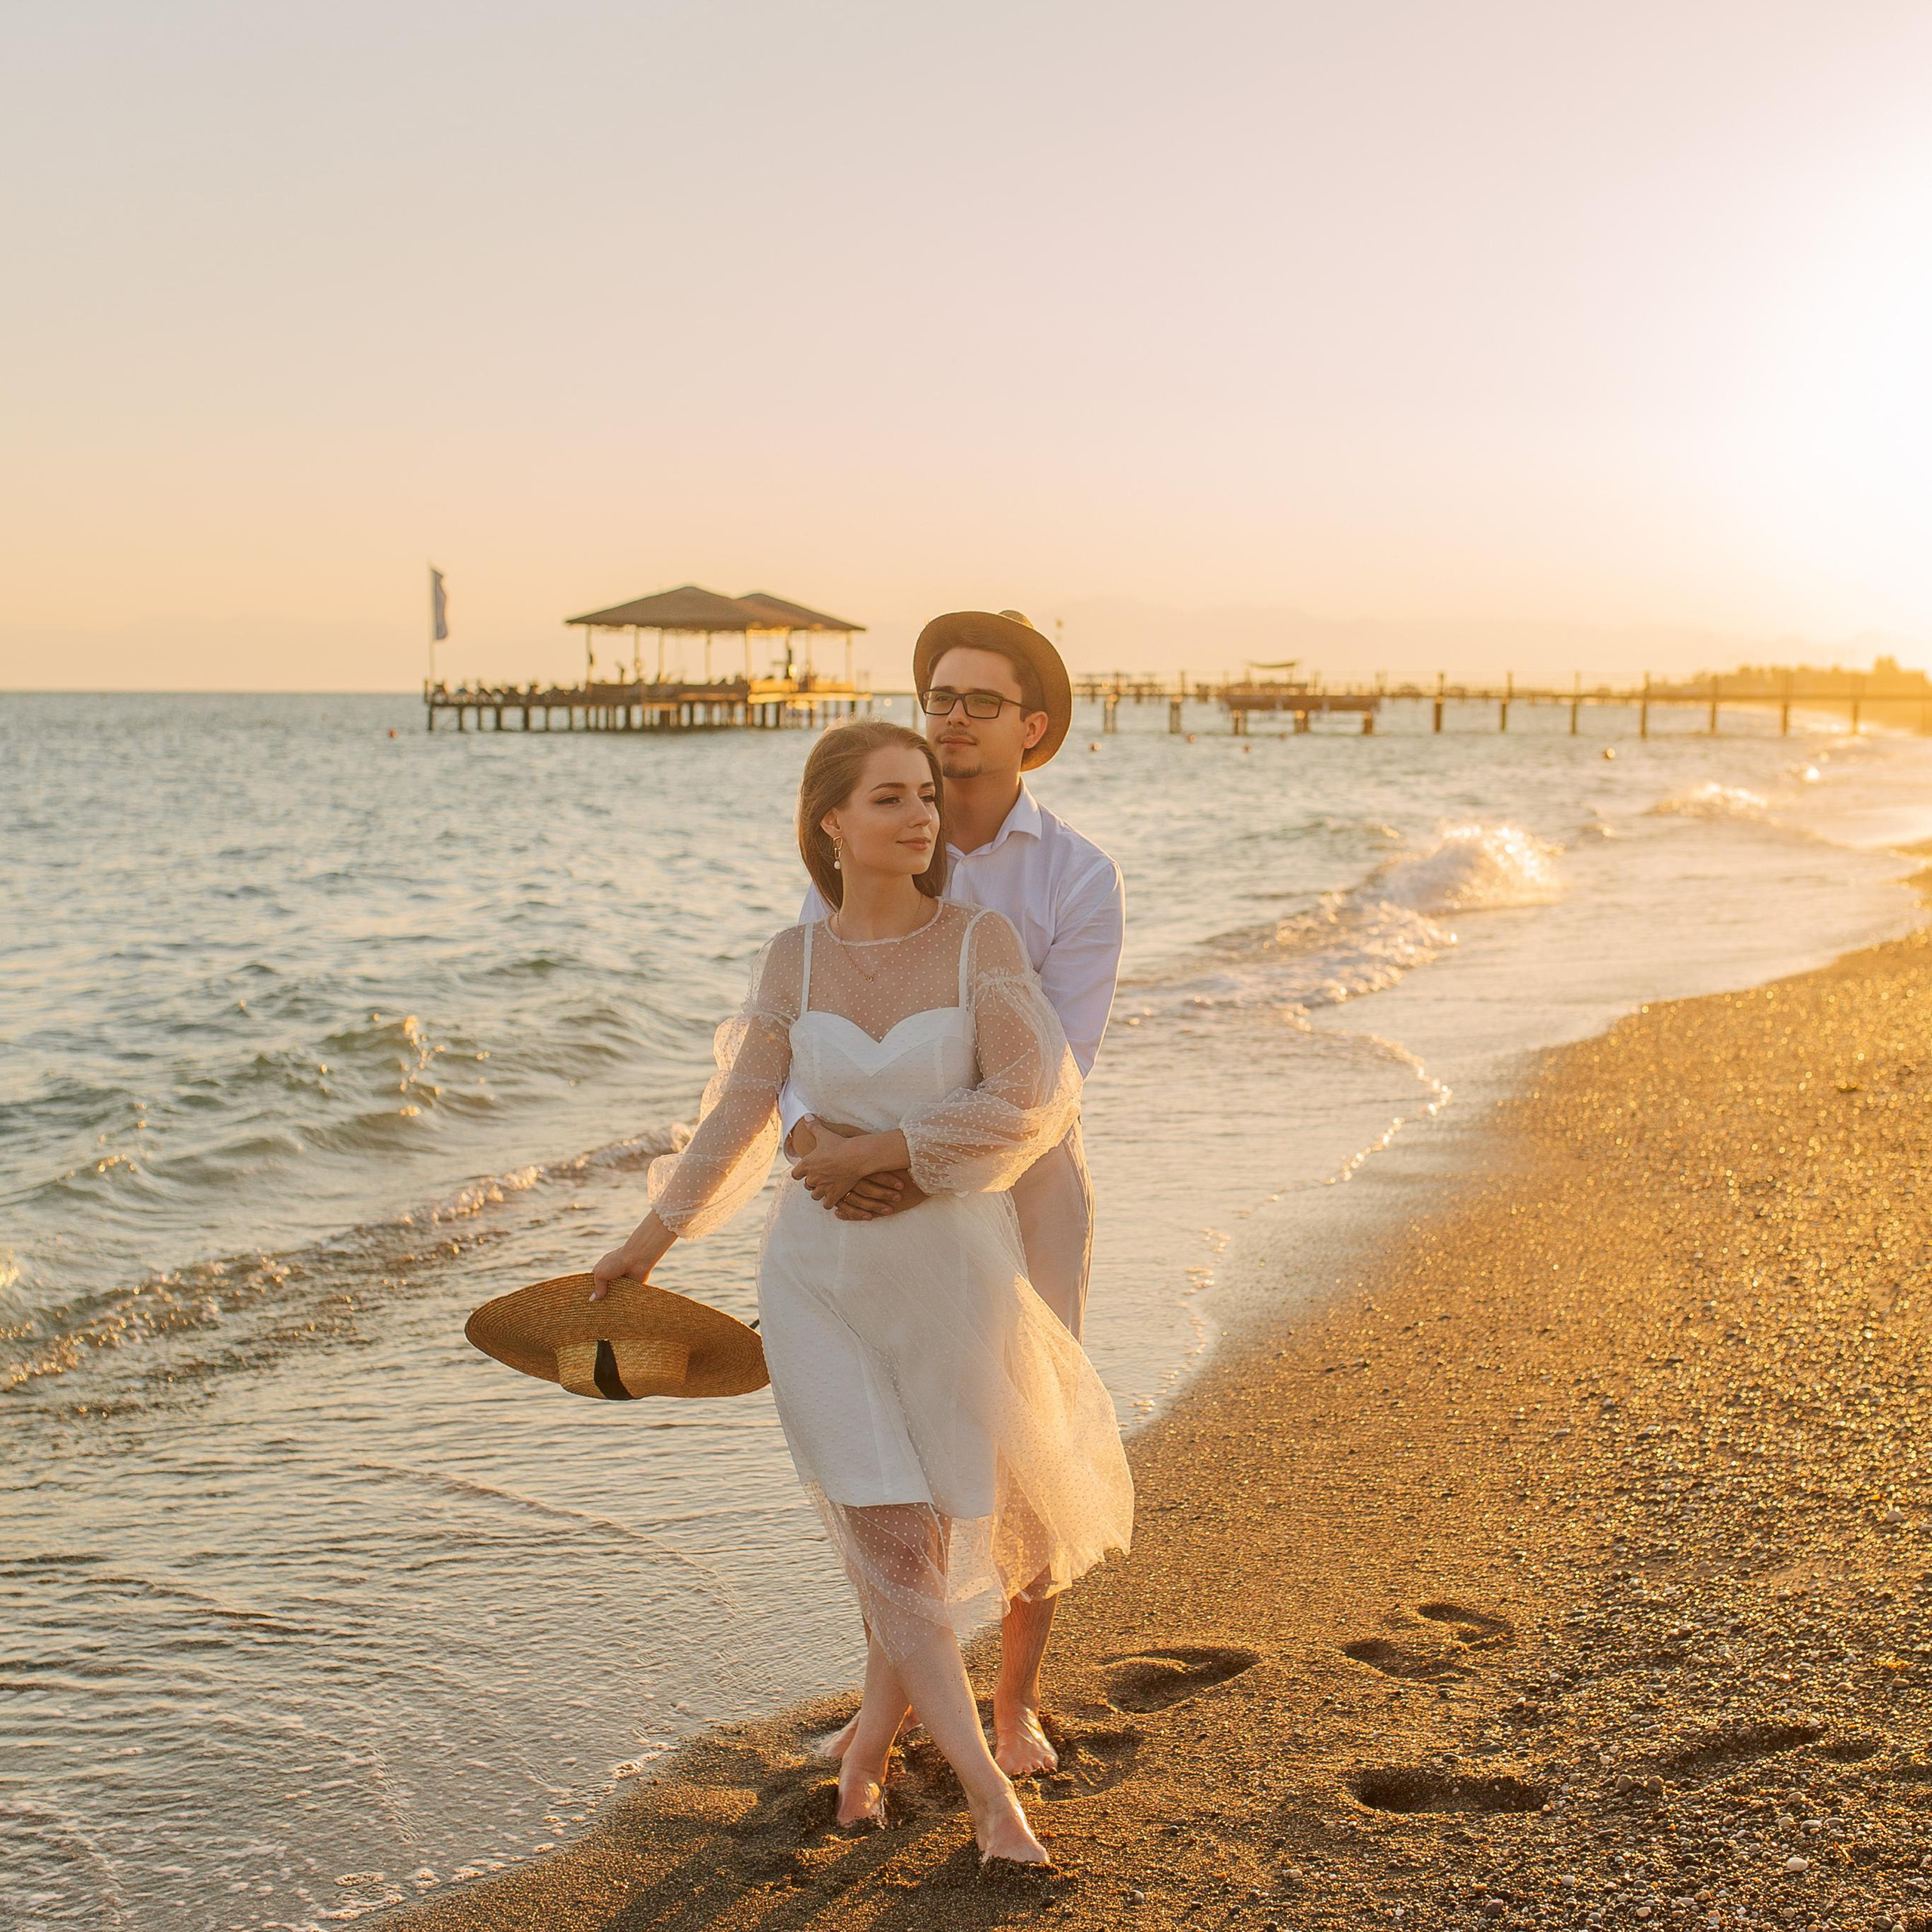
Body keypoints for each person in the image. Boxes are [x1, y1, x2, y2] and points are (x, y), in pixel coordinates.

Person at [591, 719, 1131, 1864]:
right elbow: (740, 1113)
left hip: (951, 1278)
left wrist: (881, 1154)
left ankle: (865, 1758)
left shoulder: (980, 943)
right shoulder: (791, 961)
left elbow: (1035, 1095)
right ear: (831, 823)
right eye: (891, 799)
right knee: (889, 1540)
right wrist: (650, 1239)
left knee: (923, 1537)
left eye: (926, 796)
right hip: (816, 1282)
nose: (921, 816)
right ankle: (991, 1800)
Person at [780, 610, 1124, 1778]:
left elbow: (1056, 1080)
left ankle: (1015, 1703)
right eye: (938, 698)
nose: (953, 721)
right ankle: (910, 1692)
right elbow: (804, 1023)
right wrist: (821, 1147)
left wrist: (905, 1156)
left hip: (1022, 1189)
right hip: (858, 1196)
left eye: (979, 702)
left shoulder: (1075, 876)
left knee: (1025, 1436)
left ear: (1034, 728)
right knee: (883, 1443)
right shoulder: (875, 836)